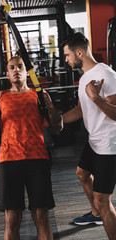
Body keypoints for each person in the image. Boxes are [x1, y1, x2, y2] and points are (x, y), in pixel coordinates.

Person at [0, 56, 63, 240]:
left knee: (41, 215)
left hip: (37, 159)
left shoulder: (39, 96)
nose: (16, 70)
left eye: (20, 66)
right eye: (12, 67)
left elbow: (58, 126)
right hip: (9, 160)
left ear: (28, 72)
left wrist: (50, 106)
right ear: (8, 74)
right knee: (12, 218)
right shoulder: (0, 97)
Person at [61, 32, 116, 240]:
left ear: (79, 52)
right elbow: (80, 110)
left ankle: (100, 211)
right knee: (82, 173)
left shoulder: (107, 75)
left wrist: (96, 98)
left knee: (103, 201)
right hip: (95, 142)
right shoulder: (84, 76)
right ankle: (96, 214)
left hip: (110, 146)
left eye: (67, 56)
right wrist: (55, 121)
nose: (66, 61)